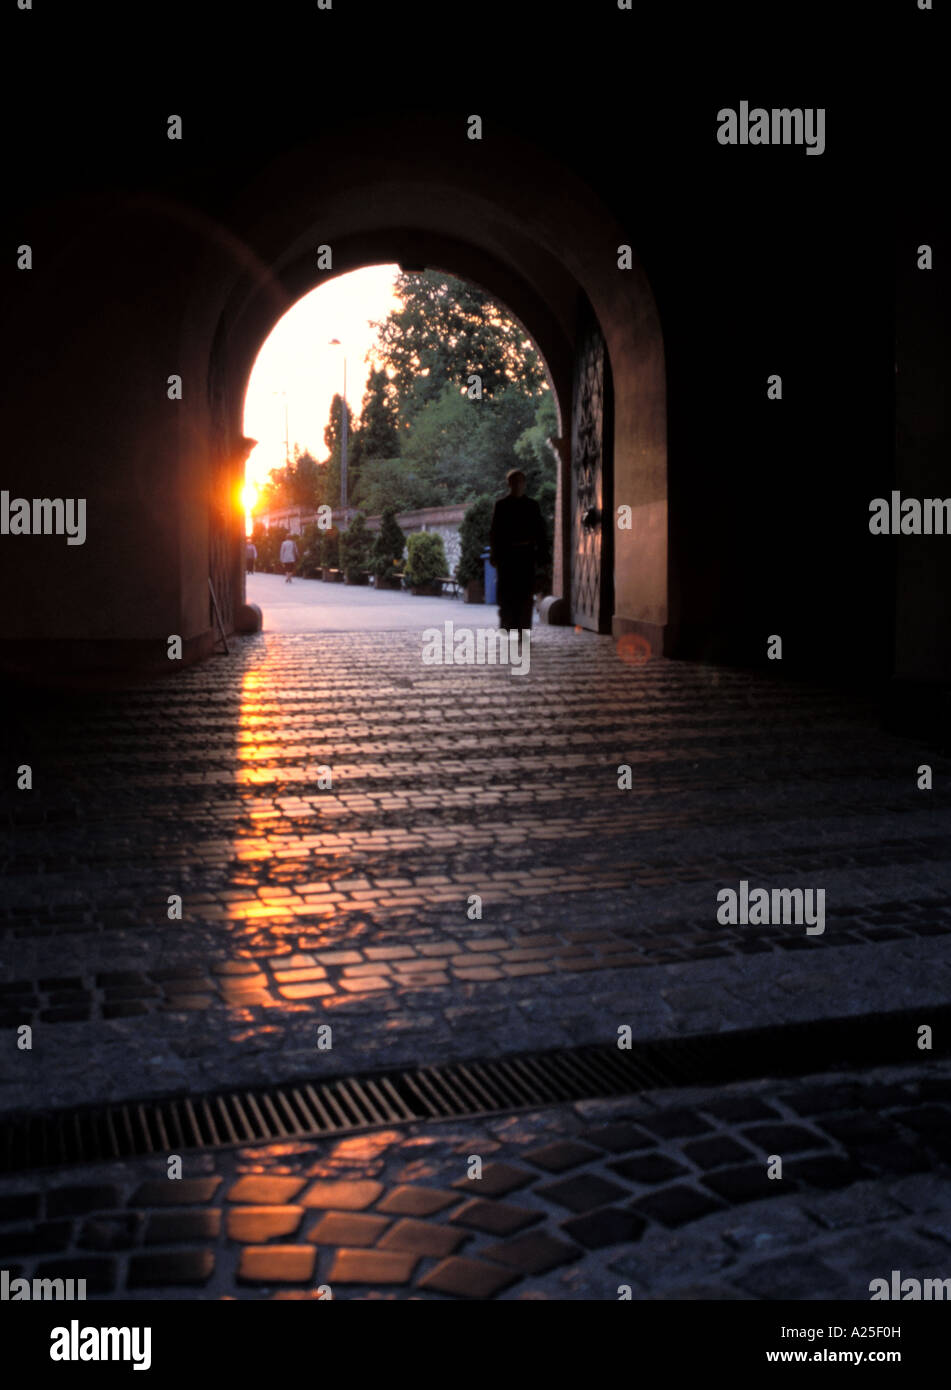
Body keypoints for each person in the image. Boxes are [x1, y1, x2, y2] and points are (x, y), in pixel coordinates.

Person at [488, 469, 549, 636]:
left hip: (526, 555)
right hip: (507, 555)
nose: (518, 485)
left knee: (525, 593)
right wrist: (495, 554)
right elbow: (495, 532)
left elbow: (540, 532)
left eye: (521, 482)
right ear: (510, 484)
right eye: (515, 482)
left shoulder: (532, 506)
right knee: (507, 593)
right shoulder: (501, 505)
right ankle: (508, 625)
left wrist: (543, 556)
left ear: (524, 484)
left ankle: (523, 628)